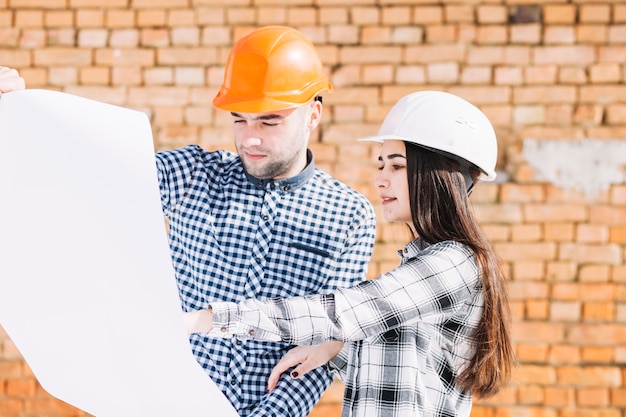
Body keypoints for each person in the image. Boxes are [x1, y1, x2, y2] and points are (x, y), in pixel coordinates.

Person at [0, 25, 377, 417]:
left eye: (268, 122)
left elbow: (321, 346)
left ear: (312, 114)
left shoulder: (349, 216)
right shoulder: (195, 174)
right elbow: (93, 172)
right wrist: (21, 115)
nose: (249, 138)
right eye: (239, 120)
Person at [185, 90, 515, 417]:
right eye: (381, 165)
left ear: (440, 175)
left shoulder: (453, 265)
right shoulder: (421, 265)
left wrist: (207, 319)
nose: (380, 180)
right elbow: (401, 363)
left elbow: (345, 311)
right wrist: (334, 348)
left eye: (397, 167)